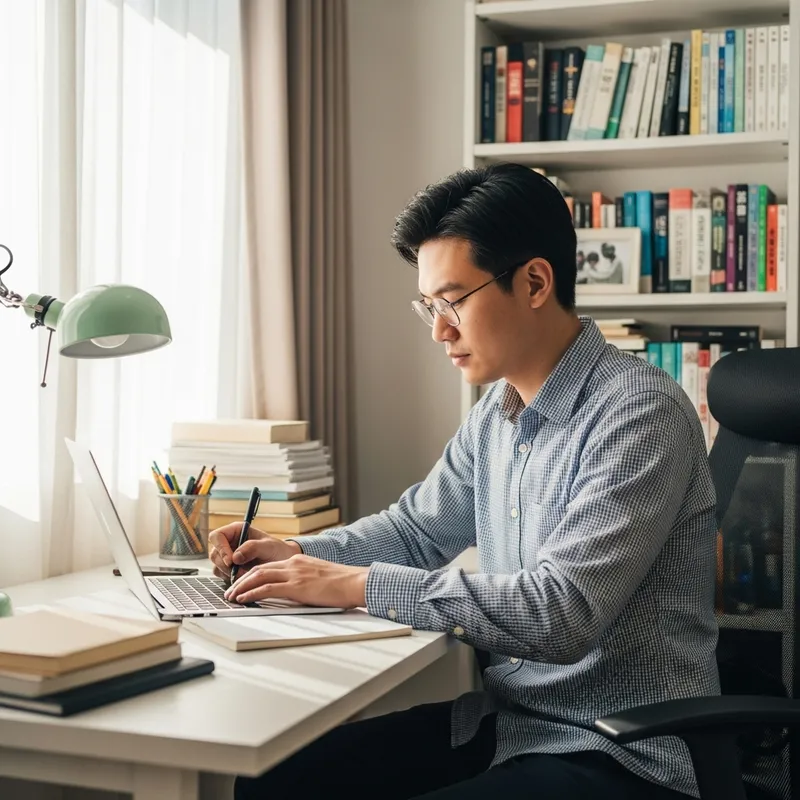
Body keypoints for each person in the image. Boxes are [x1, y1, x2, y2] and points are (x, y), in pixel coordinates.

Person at [209, 162, 719, 800]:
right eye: (428, 305)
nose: (438, 330)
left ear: (535, 282)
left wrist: (357, 585)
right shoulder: (496, 415)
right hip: (510, 725)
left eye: (452, 301)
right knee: (273, 783)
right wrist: (294, 555)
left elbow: (561, 613)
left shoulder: (639, 412)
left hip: (625, 754)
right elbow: (416, 531)